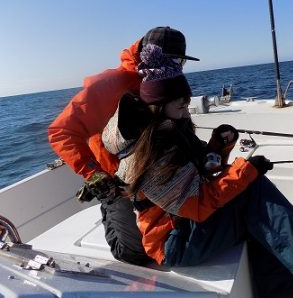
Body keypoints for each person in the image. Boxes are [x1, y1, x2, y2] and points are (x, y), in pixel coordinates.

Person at [101, 43, 293, 297]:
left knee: (258, 220)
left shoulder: (169, 130)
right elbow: (198, 202)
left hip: (185, 228)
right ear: (159, 107)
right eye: (181, 106)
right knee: (251, 190)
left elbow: (198, 172)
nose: (186, 112)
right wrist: (247, 171)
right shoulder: (147, 156)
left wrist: (219, 146)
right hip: (174, 243)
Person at [47, 26, 199, 265]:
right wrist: (94, 173)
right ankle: (110, 203)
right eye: (170, 59)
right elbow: (61, 132)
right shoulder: (109, 85)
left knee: (189, 220)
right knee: (133, 253)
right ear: (145, 53)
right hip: (118, 179)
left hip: (155, 172)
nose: (175, 66)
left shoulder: (168, 78)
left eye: (179, 61)